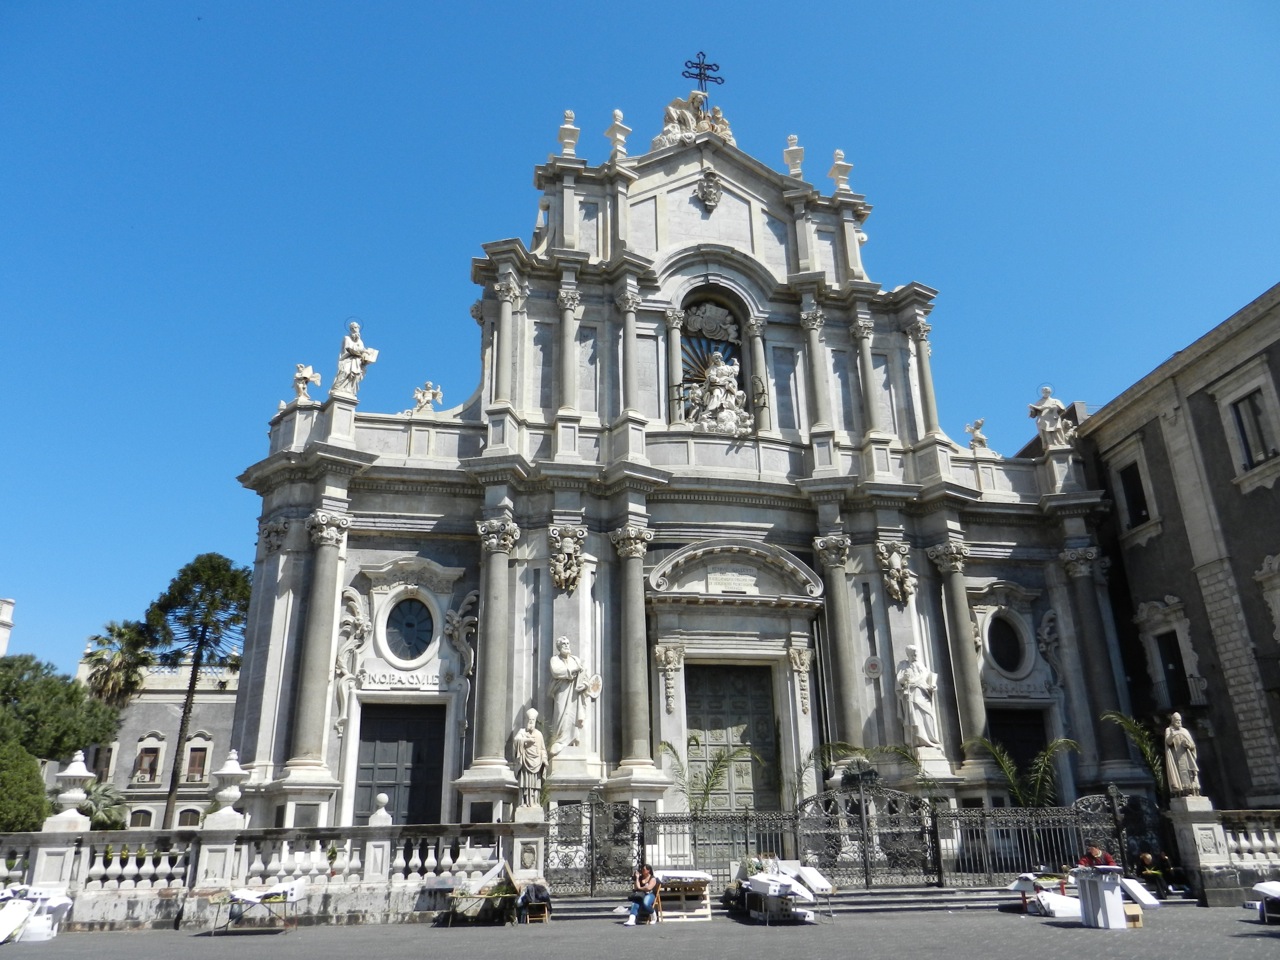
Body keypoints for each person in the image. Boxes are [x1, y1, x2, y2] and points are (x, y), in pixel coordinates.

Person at [548, 637, 598, 756]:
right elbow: (556, 671)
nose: (566, 645)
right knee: (561, 714)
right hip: (561, 691)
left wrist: (584, 685)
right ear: (559, 647)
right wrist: (573, 670)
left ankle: (572, 740)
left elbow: (584, 676)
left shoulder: (575, 659)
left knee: (572, 716)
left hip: (575, 694)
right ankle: (560, 740)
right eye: (563, 644)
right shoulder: (555, 659)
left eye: (567, 643)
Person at [896, 645, 942, 748]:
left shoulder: (920, 665)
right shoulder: (903, 665)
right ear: (908, 654)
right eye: (913, 654)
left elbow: (926, 677)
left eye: (916, 653)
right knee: (914, 717)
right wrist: (904, 678)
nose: (916, 655)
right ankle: (918, 740)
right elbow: (899, 681)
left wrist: (933, 685)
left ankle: (929, 739)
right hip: (911, 694)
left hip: (923, 694)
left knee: (927, 716)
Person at [331, 321, 378, 397]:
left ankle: (349, 391)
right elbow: (347, 349)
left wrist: (366, 356)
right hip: (348, 360)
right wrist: (361, 351)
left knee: (354, 376)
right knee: (345, 372)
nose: (354, 329)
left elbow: (362, 350)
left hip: (357, 361)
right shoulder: (347, 338)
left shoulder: (360, 341)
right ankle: (336, 389)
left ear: (358, 328)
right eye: (352, 328)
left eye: (355, 327)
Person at [512, 708, 547, 809]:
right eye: (529, 721)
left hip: (537, 763)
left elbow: (542, 749)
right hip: (525, 764)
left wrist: (544, 759)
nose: (531, 723)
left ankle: (535, 802)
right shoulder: (522, 732)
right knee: (524, 783)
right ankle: (523, 802)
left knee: (535, 785)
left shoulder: (539, 734)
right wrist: (527, 740)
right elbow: (516, 740)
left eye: (533, 721)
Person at [1165, 712, 1201, 797]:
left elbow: (1192, 745)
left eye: (1179, 720)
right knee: (1180, 774)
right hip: (1176, 757)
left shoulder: (1185, 731)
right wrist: (1172, 735)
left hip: (1187, 756)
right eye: (1177, 720)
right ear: (1173, 721)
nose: (1178, 722)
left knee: (1191, 773)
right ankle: (1185, 791)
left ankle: (1193, 790)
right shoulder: (1169, 730)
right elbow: (1168, 742)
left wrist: (1188, 745)